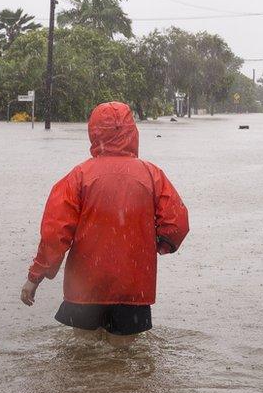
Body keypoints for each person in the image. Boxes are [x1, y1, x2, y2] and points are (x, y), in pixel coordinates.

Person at [20, 101, 189, 346]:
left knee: (83, 357)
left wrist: (34, 278)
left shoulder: (79, 176)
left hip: (85, 288)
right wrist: (157, 243)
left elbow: (55, 233)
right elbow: (177, 223)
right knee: (123, 361)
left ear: (94, 132)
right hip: (133, 288)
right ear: (132, 132)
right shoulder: (152, 175)